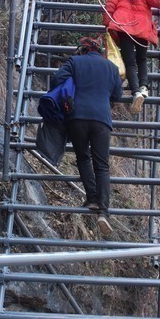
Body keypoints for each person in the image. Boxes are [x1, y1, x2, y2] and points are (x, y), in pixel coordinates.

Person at [49, 35, 123, 235]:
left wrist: (72, 86)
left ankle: (91, 198)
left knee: (83, 157)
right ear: (100, 51)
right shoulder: (111, 68)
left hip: (77, 117)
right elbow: (117, 96)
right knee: (102, 165)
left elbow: (57, 79)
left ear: (83, 50)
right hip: (101, 120)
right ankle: (103, 212)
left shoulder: (75, 62)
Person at [103, 0, 160, 113]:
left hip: (124, 26)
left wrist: (108, 23)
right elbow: (159, 2)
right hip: (142, 28)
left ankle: (136, 92)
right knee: (142, 59)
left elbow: (110, 5)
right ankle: (144, 87)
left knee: (130, 62)